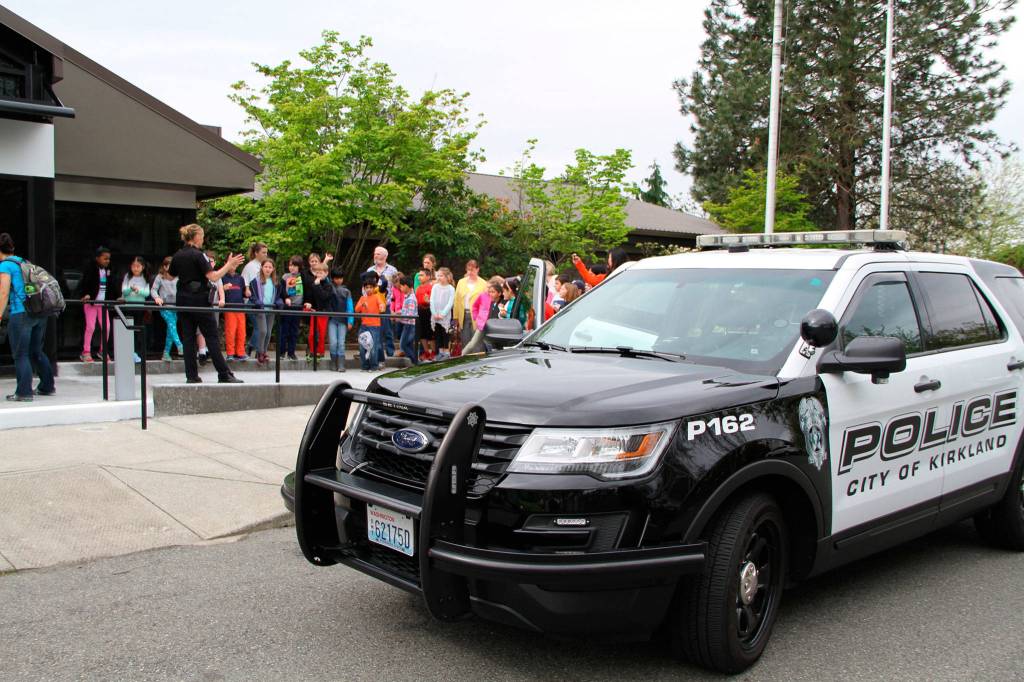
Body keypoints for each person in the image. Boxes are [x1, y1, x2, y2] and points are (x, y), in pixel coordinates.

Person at [168, 224, 244, 384]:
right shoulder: (198, 255)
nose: (203, 240)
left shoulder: (178, 255)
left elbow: (171, 274)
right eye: (202, 237)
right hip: (199, 301)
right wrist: (229, 265)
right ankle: (223, 373)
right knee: (211, 337)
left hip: (183, 300)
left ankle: (191, 375)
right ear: (196, 237)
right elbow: (214, 277)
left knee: (188, 338)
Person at [0, 233, 56, 401]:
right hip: (38, 312)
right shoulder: (24, 262)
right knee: (36, 351)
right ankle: (47, 386)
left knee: (20, 354)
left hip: (20, 313)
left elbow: (3, 292)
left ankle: (24, 392)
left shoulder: (5, 266)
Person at [79, 246, 118, 362]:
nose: (107, 261)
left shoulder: (108, 269)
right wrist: (86, 294)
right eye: (105, 258)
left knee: (107, 327)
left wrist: (117, 296)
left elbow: (112, 285)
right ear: (97, 258)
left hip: (102, 303)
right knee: (90, 326)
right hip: (91, 302)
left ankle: (103, 350)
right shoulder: (90, 268)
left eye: (109, 259)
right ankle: (86, 351)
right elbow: (85, 282)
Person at [247, 258, 282, 366]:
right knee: (263, 331)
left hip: (271, 309)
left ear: (273, 269)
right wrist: (257, 301)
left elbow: (278, 295)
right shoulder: (255, 281)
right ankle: (259, 352)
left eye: (270, 267)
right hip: (260, 309)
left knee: (269, 333)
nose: (267, 269)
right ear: (262, 267)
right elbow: (252, 296)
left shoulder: (276, 282)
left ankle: (264, 351)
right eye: (265, 266)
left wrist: (278, 301)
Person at [366, 246, 399, 356]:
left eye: (378, 254)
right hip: (374, 306)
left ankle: (390, 352)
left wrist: (395, 306)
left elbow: (397, 289)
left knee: (388, 330)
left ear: (385, 256)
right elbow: (364, 289)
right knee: (377, 330)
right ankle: (378, 353)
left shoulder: (393, 270)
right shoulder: (370, 270)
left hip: (387, 304)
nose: (376, 255)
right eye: (375, 253)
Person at [120, 256, 152, 364]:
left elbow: (147, 293)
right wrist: (130, 289)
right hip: (129, 306)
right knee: (129, 330)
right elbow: (124, 291)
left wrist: (138, 291)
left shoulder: (145, 278)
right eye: (133, 266)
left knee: (138, 331)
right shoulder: (128, 276)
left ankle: (138, 353)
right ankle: (130, 352)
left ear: (142, 267)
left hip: (140, 307)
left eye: (138, 266)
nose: (135, 268)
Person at [152, 256, 183, 362]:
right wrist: (157, 298)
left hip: (176, 306)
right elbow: (153, 290)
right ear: (164, 267)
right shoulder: (160, 277)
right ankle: (179, 345)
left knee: (171, 329)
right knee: (171, 325)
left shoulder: (179, 277)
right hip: (165, 306)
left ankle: (166, 353)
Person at [463, 277, 504, 355]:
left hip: (493, 326)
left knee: (488, 346)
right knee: (472, 344)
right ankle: (461, 356)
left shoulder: (499, 299)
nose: (488, 290)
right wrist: (476, 318)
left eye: (490, 288)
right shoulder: (483, 296)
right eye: (487, 287)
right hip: (482, 325)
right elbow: (475, 306)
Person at [355, 271, 386, 371]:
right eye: (367, 287)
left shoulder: (377, 297)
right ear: (364, 288)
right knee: (362, 346)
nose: (369, 289)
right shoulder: (362, 298)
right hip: (364, 325)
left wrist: (381, 307)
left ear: (374, 288)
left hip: (375, 326)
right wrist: (362, 305)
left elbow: (382, 307)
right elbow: (356, 309)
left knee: (373, 347)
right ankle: (365, 366)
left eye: (370, 287)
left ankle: (374, 366)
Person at [452, 260, 487, 349]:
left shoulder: (484, 284)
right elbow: (457, 300)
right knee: (465, 341)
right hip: (463, 315)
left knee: (476, 342)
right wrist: (455, 317)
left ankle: (478, 360)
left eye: (472, 270)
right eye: (468, 270)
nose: (470, 272)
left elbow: (486, 304)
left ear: (477, 269)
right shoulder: (461, 282)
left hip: (478, 316)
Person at [241, 242, 267, 357]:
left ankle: (256, 349)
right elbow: (245, 284)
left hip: (261, 301)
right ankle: (252, 347)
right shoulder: (251, 266)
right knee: (260, 327)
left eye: (266, 252)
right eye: (263, 252)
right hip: (251, 302)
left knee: (261, 328)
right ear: (256, 253)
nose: (266, 255)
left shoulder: (263, 265)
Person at [325, 267, 354, 372]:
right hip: (332, 319)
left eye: (340, 278)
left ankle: (341, 364)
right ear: (333, 278)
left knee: (341, 342)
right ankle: (333, 362)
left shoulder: (346, 291)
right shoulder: (329, 287)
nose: (338, 280)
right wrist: (326, 261)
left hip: (343, 320)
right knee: (333, 342)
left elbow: (350, 307)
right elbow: (324, 277)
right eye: (336, 278)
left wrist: (350, 320)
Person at [279, 256, 305, 361]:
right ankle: (281, 352)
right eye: (290, 265)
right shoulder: (285, 277)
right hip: (287, 307)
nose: (292, 268)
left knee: (294, 331)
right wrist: (286, 298)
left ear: (299, 267)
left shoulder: (303, 277)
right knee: (284, 330)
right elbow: (281, 291)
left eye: (294, 266)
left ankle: (291, 352)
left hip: (297, 307)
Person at [306, 261, 332, 361]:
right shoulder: (314, 284)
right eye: (317, 273)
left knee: (321, 333)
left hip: (324, 312)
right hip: (314, 310)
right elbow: (312, 297)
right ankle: (312, 351)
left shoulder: (328, 285)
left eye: (321, 273)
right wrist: (309, 303)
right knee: (312, 333)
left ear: (326, 273)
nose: (318, 275)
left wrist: (317, 286)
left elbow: (324, 297)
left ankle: (320, 352)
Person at [220, 266, 247, 361]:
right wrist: (223, 288)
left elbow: (244, 292)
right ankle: (230, 353)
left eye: (235, 263)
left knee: (241, 332)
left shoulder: (240, 278)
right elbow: (218, 292)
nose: (233, 266)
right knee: (230, 331)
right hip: (229, 308)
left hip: (240, 308)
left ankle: (240, 353)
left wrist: (247, 292)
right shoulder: (222, 277)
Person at [430, 267, 455, 360]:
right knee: (437, 334)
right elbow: (432, 300)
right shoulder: (435, 287)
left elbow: (450, 303)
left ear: (447, 277)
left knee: (445, 334)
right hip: (435, 315)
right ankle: (440, 352)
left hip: (444, 317)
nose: (439, 277)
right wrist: (434, 313)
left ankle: (446, 352)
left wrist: (443, 314)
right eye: (438, 275)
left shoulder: (451, 288)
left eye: (441, 276)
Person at [396, 274, 419, 364]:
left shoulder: (411, 299)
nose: (400, 288)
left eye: (401, 286)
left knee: (404, 344)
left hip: (410, 325)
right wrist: (399, 313)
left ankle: (415, 362)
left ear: (405, 286)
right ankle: (414, 361)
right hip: (408, 324)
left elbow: (409, 314)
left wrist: (398, 316)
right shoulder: (408, 297)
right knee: (408, 344)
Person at [415, 269, 435, 360]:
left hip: (429, 311)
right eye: (419, 275)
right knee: (422, 334)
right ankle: (426, 352)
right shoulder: (418, 288)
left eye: (422, 275)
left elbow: (433, 301)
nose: (419, 277)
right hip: (420, 311)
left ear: (428, 277)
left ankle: (433, 352)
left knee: (430, 333)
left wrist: (428, 301)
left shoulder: (431, 287)